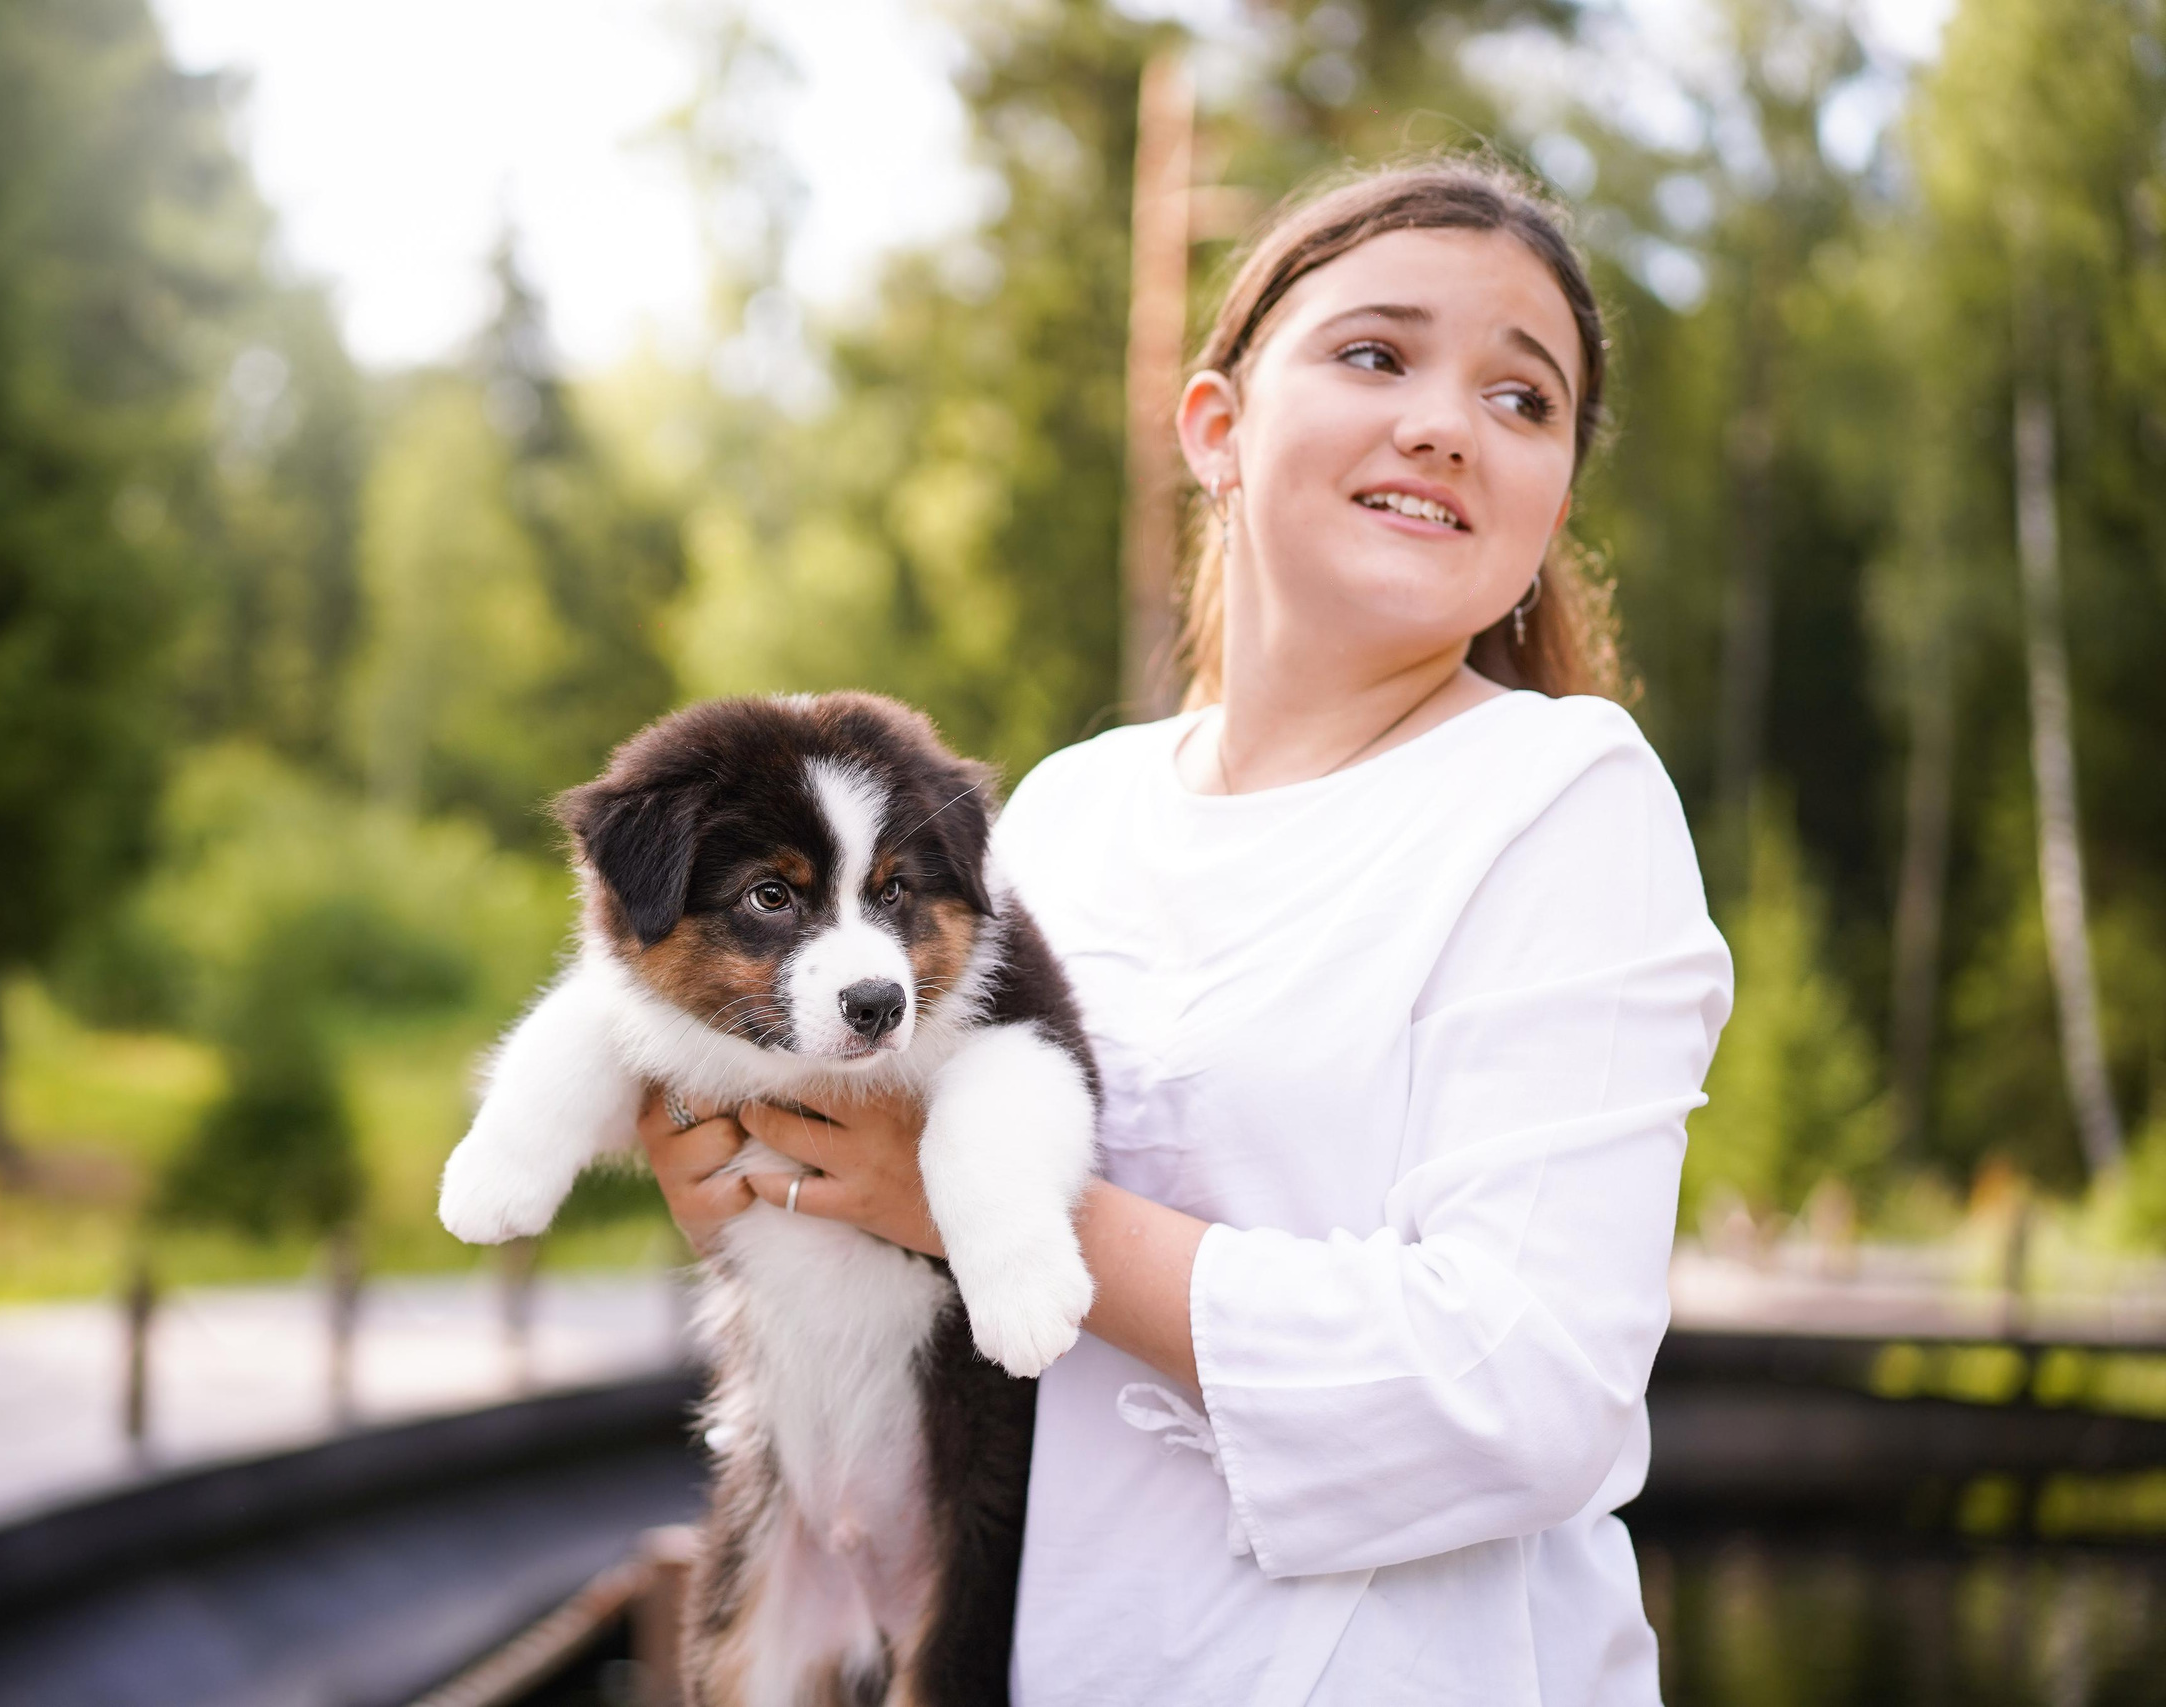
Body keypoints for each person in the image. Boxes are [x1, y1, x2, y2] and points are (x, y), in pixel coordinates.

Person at [638, 159, 1733, 1706]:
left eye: (1523, 398)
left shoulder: (1565, 796)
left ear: (1553, 496)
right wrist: (770, 1189)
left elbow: (1526, 1385)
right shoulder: (1067, 818)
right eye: (1376, 354)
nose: (1445, 420)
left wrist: (984, 1208)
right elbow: (930, 1352)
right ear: (1217, 427)